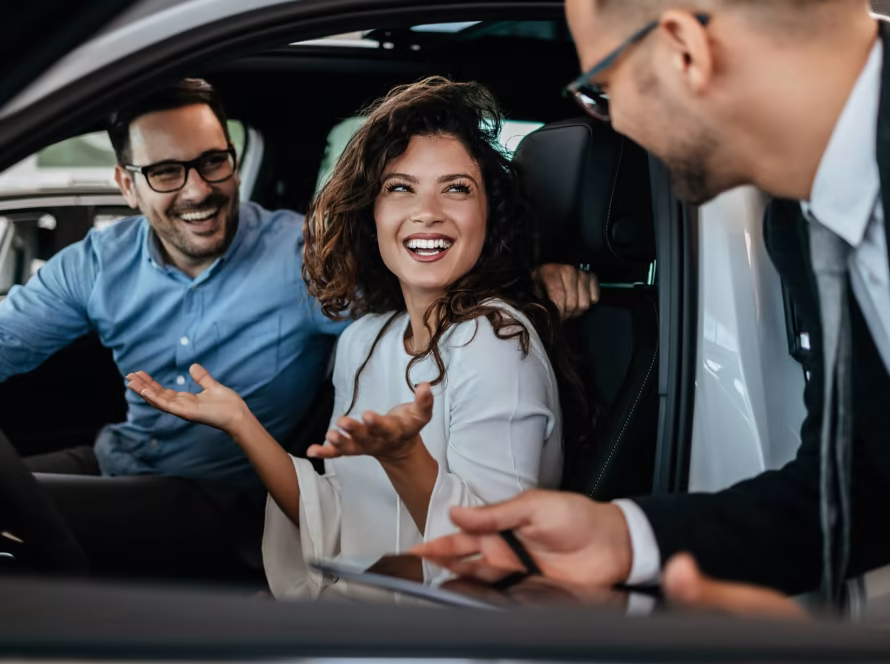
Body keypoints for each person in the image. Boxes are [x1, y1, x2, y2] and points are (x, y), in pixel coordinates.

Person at [1, 78, 595, 579]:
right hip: (121, 460)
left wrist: (526, 278)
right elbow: (335, 508)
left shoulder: (310, 263)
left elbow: (493, 559)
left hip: (215, 499)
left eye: (213, 160)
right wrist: (239, 419)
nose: (197, 189)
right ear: (126, 185)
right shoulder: (368, 340)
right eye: (164, 172)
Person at [414, 0, 890, 615]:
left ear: (685, 50)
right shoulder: (800, 228)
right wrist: (626, 538)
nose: (617, 127)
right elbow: (860, 487)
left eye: (602, 91)